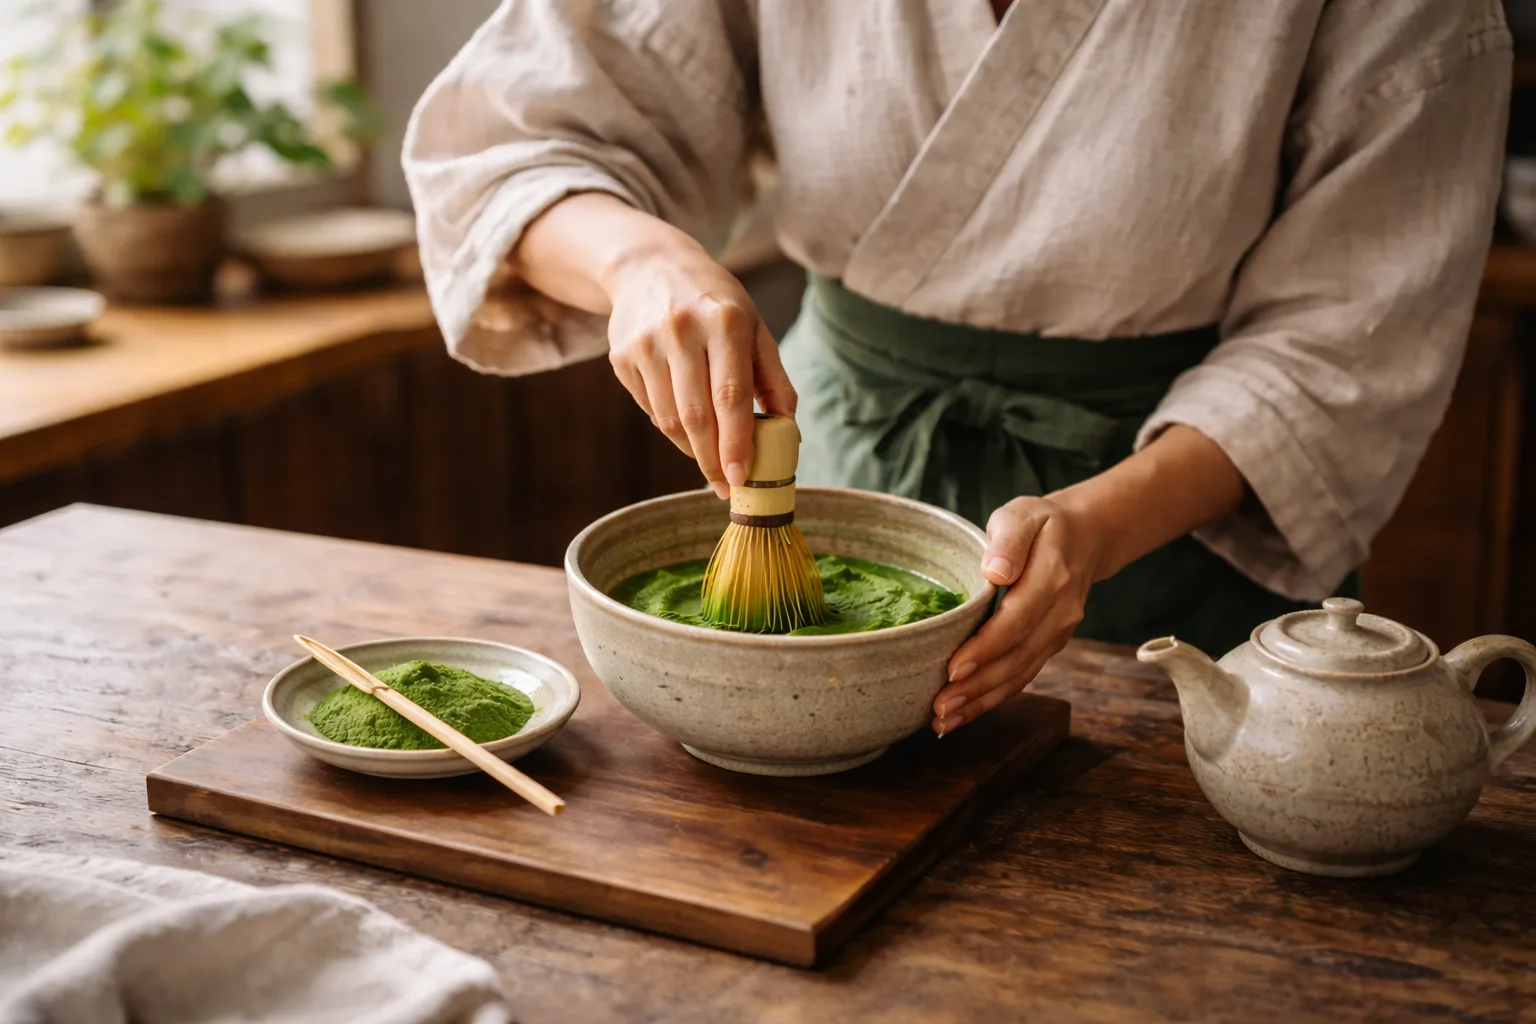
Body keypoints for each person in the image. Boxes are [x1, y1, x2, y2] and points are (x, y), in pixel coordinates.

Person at [404, 1, 1510, 737]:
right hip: (839, 465)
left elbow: (1346, 329)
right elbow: (507, 146)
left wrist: (1096, 530)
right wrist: (639, 262)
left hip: (1172, 535)